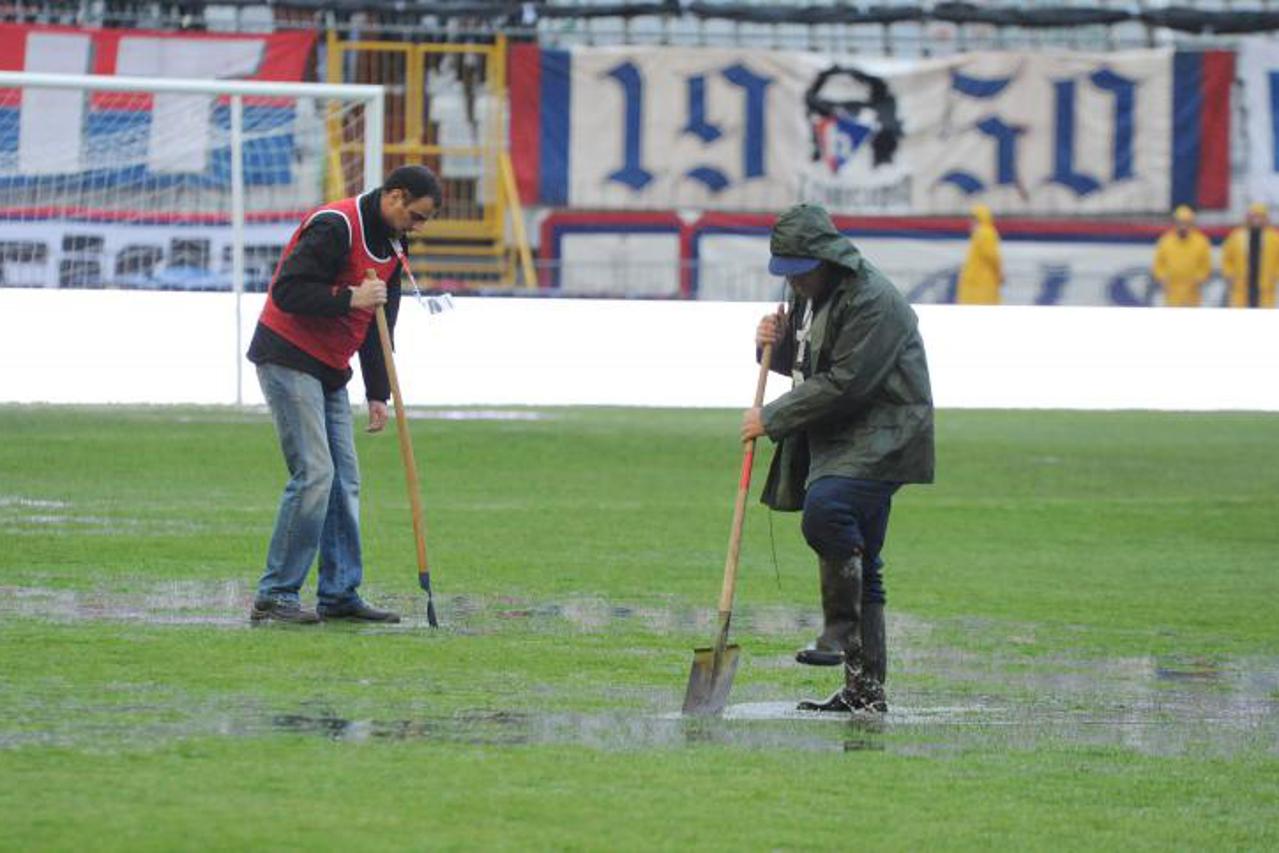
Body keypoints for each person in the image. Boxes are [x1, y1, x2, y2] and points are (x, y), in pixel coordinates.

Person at [742, 203, 935, 713]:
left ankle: (838, 629)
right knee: (865, 562)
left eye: (800, 271)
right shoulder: (807, 290)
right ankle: (864, 694)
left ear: (825, 257)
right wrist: (773, 345)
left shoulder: (874, 300)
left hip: (885, 432)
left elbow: (848, 383)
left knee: (827, 510)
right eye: (787, 273)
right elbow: (808, 363)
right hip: (840, 435)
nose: (794, 282)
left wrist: (773, 417)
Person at [246, 165, 442, 624]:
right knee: (315, 473)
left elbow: (381, 323)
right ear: (394, 197)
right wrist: (348, 297)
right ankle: (275, 595)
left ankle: (338, 593)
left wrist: (378, 392)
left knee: (345, 480)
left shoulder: (395, 242)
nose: (418, 227)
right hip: (287, 355)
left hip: (332, 369)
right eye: (416, 216)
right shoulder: (335, 226)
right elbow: (289, 290)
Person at [1151, 205, 1212, 307]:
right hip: (1172, 293)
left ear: (1192, 224)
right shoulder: (1165, 241)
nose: (1183, 226)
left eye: (1186, 223)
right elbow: (1158, 265)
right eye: (1180, 223)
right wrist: (1162, 278)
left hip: (1192, 293)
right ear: (1175, 223)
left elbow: (1206, 266)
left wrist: (1199, 279)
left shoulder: (1201, 242)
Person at [1221, 202, 1279, 309]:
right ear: (1247, 218)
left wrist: (1274, 276)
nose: (1256, 220)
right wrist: (1229, 274)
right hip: (1241, 288)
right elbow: (1226, 258)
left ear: (1266, 219)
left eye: (1260, 216)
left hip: (1266, 288)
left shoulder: (1275, 238)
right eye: (1253, 216)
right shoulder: (1236, 236)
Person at [955, 203, 1002, 305]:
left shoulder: (984, 233)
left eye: (973, 219)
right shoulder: (983, 233)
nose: (970, 222)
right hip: (979, 284)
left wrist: (999, 275)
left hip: (981, 285)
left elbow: (992, 257)